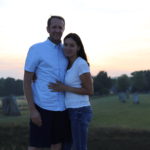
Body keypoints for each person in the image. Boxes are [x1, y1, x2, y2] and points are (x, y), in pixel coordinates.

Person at [23, 16, 69, 150]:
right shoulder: (36, 49)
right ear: (48, 29)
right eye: (54, 27)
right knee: (36, 146)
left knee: (57, 146)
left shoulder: (66, 50)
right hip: (42, 107)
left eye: (60, 27)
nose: (57, 30)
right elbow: (26, 81)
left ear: (63, 29)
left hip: (61, 109)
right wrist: (32, 110)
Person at [49, 33, 93, 150]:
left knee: (79, 147)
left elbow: (89, 90)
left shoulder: (81, 64)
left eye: (72, 45)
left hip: (80, 111)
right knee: (67, 146)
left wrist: (65, 88)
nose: (68, 48)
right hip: (69, 110)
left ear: (78, 47)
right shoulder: (67, 63)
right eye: (66, 44)